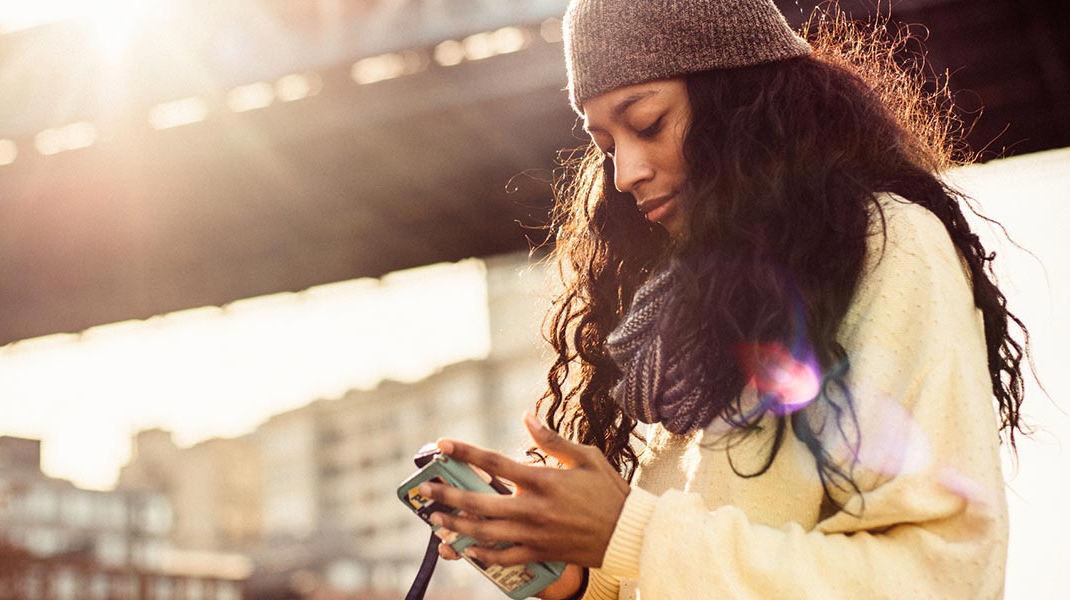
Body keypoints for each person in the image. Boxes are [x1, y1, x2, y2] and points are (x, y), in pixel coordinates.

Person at [414, 1, 1030, 598]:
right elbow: (685, 553)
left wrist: (628, 532)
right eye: (605, 145)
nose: (624, 172)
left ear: (740, 101)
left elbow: (944, 578)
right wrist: (581, 575)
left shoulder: (886, 244)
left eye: (648, 124)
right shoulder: (681, 312)